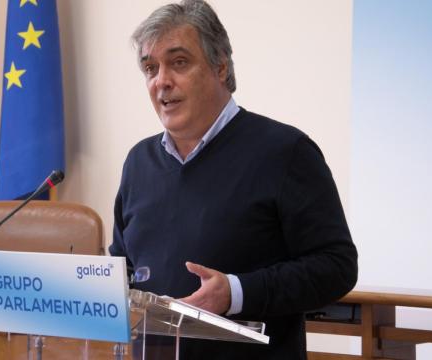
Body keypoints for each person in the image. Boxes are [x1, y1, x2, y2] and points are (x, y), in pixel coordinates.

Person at [109, 0, 358, 359]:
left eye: (179, 62)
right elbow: (124, 267)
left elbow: (337, 266)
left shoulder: (286, 152)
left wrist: (237, 292)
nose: (161, 80)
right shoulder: (139, 162)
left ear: (220, 67)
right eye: (151, 68)